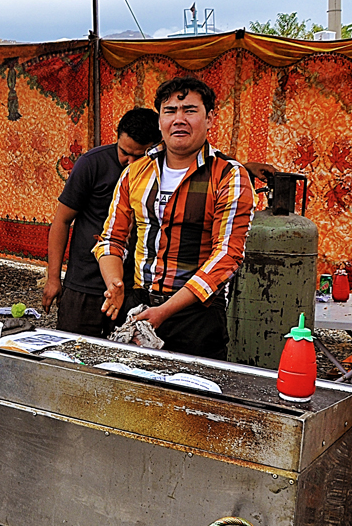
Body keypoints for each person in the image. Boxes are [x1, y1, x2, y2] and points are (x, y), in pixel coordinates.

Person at [93, 76, 255, 360]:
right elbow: (111, 239)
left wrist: (165, 311)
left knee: (193, 398)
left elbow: (227, 255)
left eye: (190, 110)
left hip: (196, 315)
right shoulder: (134, 173)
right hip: (137, 305)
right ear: (160, 122)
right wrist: (114, 283)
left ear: (210, 119)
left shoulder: (229, 175)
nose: (179, 119)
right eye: (170, 111)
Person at [42, 108, 160, 338]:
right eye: (125, 152)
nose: (130, 162)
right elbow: (62, 221)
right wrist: (53, 278)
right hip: (84, 285)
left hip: (131, 288)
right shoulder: (91, 164)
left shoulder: (162, 173)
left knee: (125, 360)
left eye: (140, 156)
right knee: (73, 355)